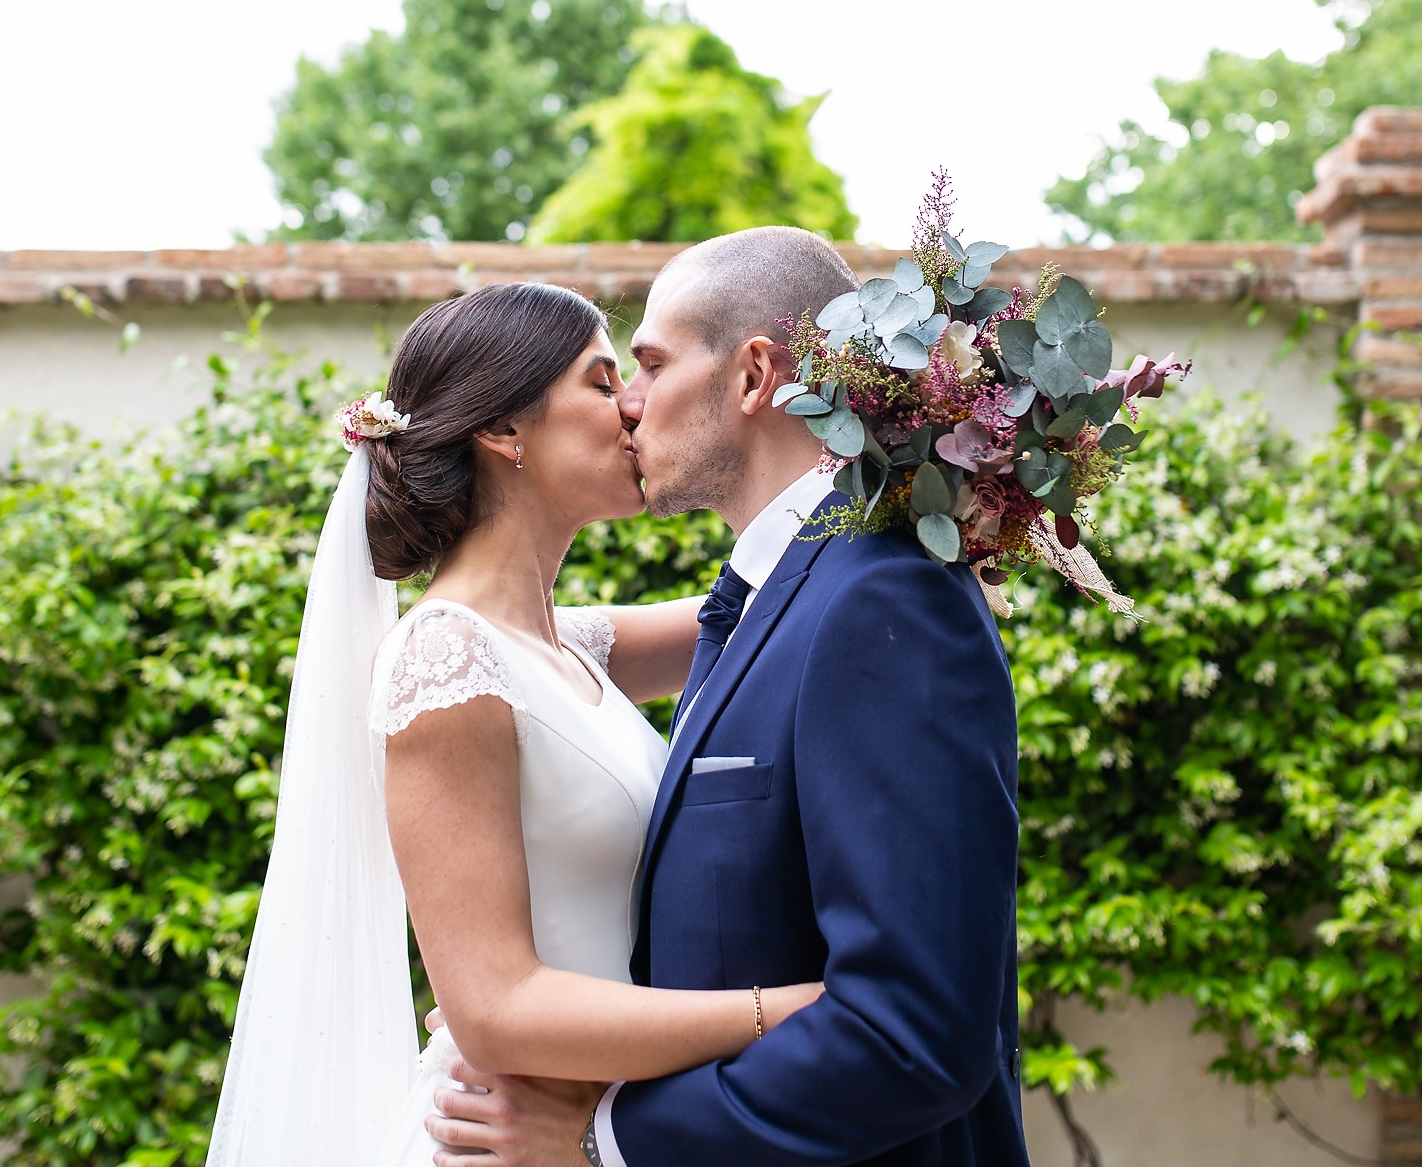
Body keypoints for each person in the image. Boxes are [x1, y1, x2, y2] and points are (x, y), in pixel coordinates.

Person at [425, 227, 1030, 1167]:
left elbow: (916, 1032)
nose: (628, 402)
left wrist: (606, 1139)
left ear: (754, 377)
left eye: (650, 363)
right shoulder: (770, 596)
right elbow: (491, 646)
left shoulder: (882, 596)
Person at [203, 280, 822, 1167]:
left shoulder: (565, 644)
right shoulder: (445, 660)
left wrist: (931, 480)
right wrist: (794, 1012)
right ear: (503, 432)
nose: (635, 405)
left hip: (603, 1129)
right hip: (506, 1137)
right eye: (603, 382)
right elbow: (495, 1007)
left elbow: (789, 596)